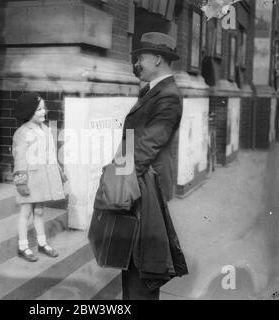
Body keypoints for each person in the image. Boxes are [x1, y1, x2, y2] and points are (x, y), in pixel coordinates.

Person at [120, 32, 189, 300]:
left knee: (144, 267)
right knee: (132, 260)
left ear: (158, 59)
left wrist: (120, 183)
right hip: (138, 183)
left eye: (140, 58)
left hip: (146, 187)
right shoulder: (153, 90)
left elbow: (148, 145)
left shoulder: (168, 95)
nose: (137, 64)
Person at [12, 92, 67, 262]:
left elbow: (50, 154)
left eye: (44, 108)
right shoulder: (22, 133)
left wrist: (59, 171)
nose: (44, 112)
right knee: (26, 212)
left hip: (43, 178)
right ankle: (23, 246)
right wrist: (21, 182)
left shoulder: (46, 129)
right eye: (39, 110)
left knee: (40, 211)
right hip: (29, 179)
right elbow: (19, 157)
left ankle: (42, 243)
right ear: (28, 112)